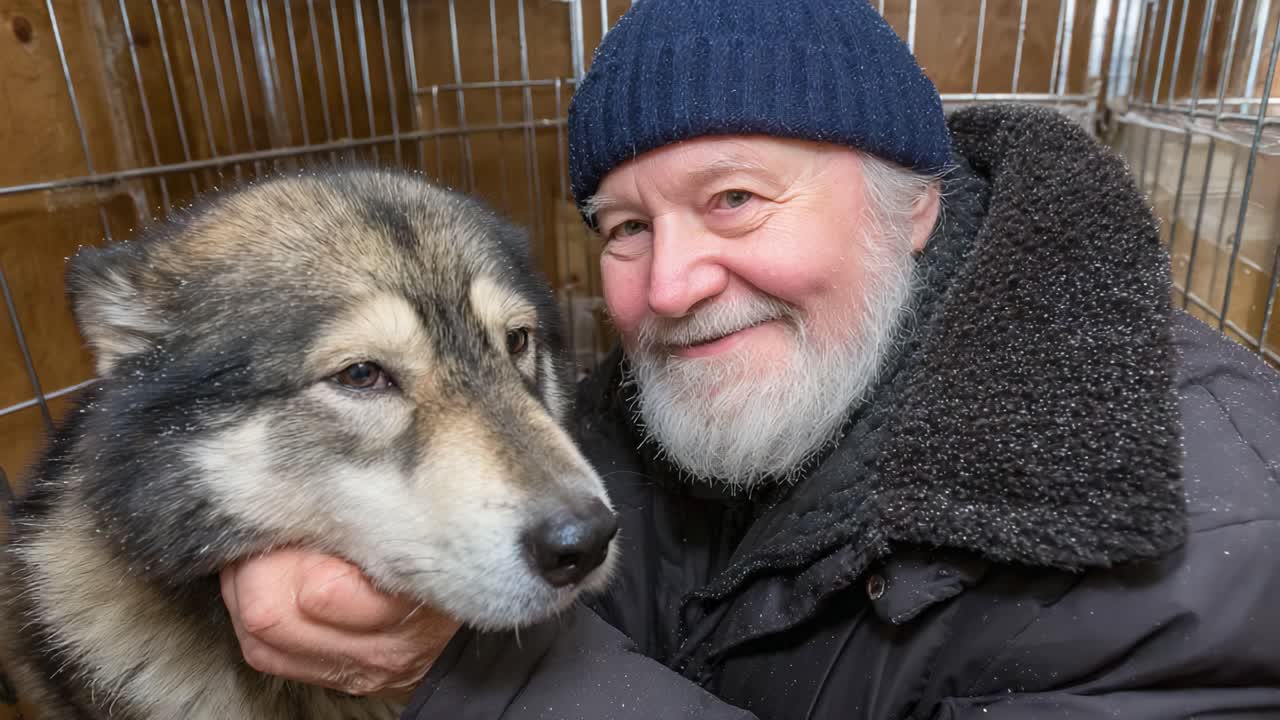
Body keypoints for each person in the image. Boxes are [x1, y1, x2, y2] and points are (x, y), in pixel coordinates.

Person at [219, 1, 1280, 717]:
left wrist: (484, 670)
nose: (670, 284)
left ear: (912, 204)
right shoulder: (652, 400)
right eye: (622, 227)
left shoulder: (1205, 552)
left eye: (734, 199)